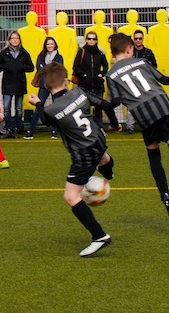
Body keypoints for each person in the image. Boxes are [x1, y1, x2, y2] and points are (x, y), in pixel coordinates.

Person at [106, 32, 169, 219]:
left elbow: (115, 101)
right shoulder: (142, 62)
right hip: (161, 104)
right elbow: (162, 78)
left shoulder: (111, 75)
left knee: (153, 154)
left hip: (143, 114)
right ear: (129, 49)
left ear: (113, 53)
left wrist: (112, 121)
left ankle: (165, 195)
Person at [29, 62, 116, 257]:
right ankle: (108, 171)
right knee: (102, 156)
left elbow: (45, 119)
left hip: (83, 155)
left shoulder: (52, 110)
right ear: (67, 82)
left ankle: (99, 236)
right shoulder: (80, 93)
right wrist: (116, 125)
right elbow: (106, 105)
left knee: (70, 196)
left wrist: (38, 104)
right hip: (98, 139)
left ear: (47, 88)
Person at [73, 31, 121, 132]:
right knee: (84, 108)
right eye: (89, 39)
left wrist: (101, 74)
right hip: (84, 86)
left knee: (99, 108)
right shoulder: (82, 52)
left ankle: (99, 129)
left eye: (94, 39)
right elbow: (75, 67)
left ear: (96, 40)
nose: (91, 41)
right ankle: (86, 129)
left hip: (98, 85)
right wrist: (83, 75)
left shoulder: (100, 52)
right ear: (86, 40)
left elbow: (106, 66)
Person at [0, 31, 34, 138]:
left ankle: (16, 129)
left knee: (18, 108)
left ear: (20, 40)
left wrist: (21, 66)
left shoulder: (24, 53)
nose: (15, 40)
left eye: (17, 38)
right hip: (7, 84)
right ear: (9, 40)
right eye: (13, 38)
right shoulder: (4, 53)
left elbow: (31, 67)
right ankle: (8, 129)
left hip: (20, 84)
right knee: (7, 108)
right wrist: (7, 66)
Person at [25, 37, 63, 140]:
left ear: (55, 45)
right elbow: (40, 69)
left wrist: (47, 68)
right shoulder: (41, 56)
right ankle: (31, 131)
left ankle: (55, 131)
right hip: (44, 85)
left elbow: (59, 69)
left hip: (55, 86)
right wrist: (50, 68)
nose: (50, 46)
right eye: (48, 44)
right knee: (38, 107)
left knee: (56, 108)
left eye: (51, 44)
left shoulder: (59, 57)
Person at [124, 30, 157, 135]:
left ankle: (149, 126)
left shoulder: (148, 52)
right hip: (132, 83)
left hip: (145, 83)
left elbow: (154, 67)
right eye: (136, 38)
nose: (138, 40)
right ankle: (130, 127)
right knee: (131, 105)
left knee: (148, 105)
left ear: (143, 39)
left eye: (140, 38)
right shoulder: (130, 53)